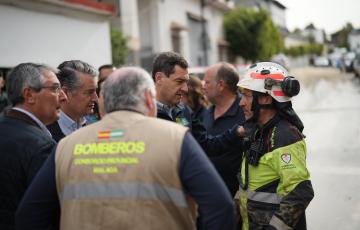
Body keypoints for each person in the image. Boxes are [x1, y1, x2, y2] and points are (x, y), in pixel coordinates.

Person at [16, 66, 235, 230]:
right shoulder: (175, 138)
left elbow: (29, 215)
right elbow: (221, 207)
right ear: (150, 99)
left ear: (103, 102)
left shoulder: (66, 146)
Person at [235, 62, 314, 230]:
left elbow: (300, 192)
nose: (241, 103)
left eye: (247, 95)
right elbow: (248, 186)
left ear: (266, 98)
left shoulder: (284, 136)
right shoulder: (258, 132)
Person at [0, 63, 67, 230]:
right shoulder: (40, 146)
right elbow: (45, 212)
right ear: (29, 95)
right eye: (55, 89)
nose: (63, 97)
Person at [152, 51, 244, 156]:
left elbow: (206, 146)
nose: (185, 89)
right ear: (159, 78)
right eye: (179, 82)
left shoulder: (184, 111)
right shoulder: (142, 114)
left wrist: (236, 132)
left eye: (186, 82)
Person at [202, 62, 245, 197]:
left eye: (207, 82)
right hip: (210, 197)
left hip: (238, 201)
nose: (203, 86)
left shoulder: (246, 112)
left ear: (221, 85)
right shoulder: (206, 113)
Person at [47, 60, 98, 142]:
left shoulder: (94, 126)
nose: (95, 98)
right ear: (65, 92)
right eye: (89, 92)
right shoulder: (45, 132)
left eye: (96, 91)